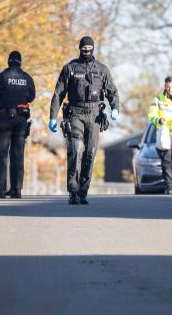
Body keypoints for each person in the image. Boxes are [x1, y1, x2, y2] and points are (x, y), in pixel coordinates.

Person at [48, 36, 119, 205]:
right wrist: (53, 116)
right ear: (79, 48)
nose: (86, 50)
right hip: (75, 113)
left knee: (90, 154)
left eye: (89, 48)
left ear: (93, 49)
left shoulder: (101, 69)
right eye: (84, 48)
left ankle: (83, 192)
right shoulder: (70, 68)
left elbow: (112, 91)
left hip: (94, 115)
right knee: (75, 150)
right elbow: (58, 93)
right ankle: (73, 191)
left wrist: (115, 107)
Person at [0, 50, 35, 198]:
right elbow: (31, 97)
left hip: (3, 120)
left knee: (1, 155)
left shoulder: (2, 77)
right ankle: (16, 190)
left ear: (8, 62)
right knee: (18, 155)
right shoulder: (27, 78)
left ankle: (0, 190)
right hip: (21, 120)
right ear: (20, 62)